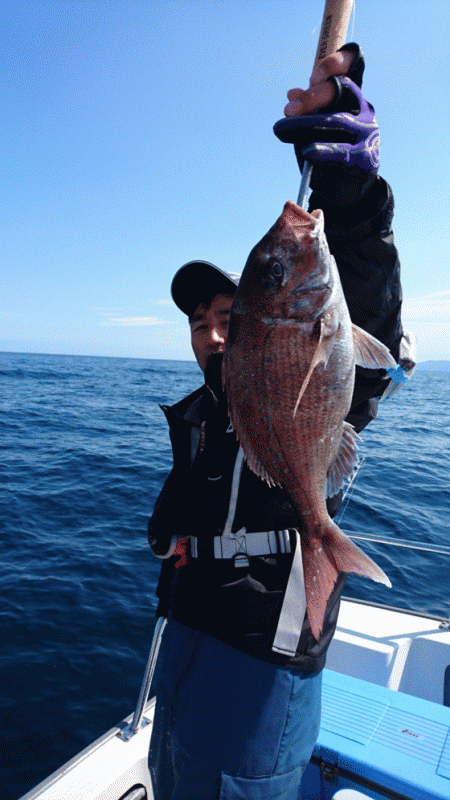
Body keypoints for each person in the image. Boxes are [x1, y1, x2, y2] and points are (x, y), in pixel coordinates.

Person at [147, 46, 409, 800]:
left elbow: (365, 311)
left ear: (261, 322)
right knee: (174, 780)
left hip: (264, 648)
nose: (212, 333)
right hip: (189, 637)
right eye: (198, 322)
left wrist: (353, 194)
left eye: (228, 314)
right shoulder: (203, 412)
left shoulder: (307, 351)